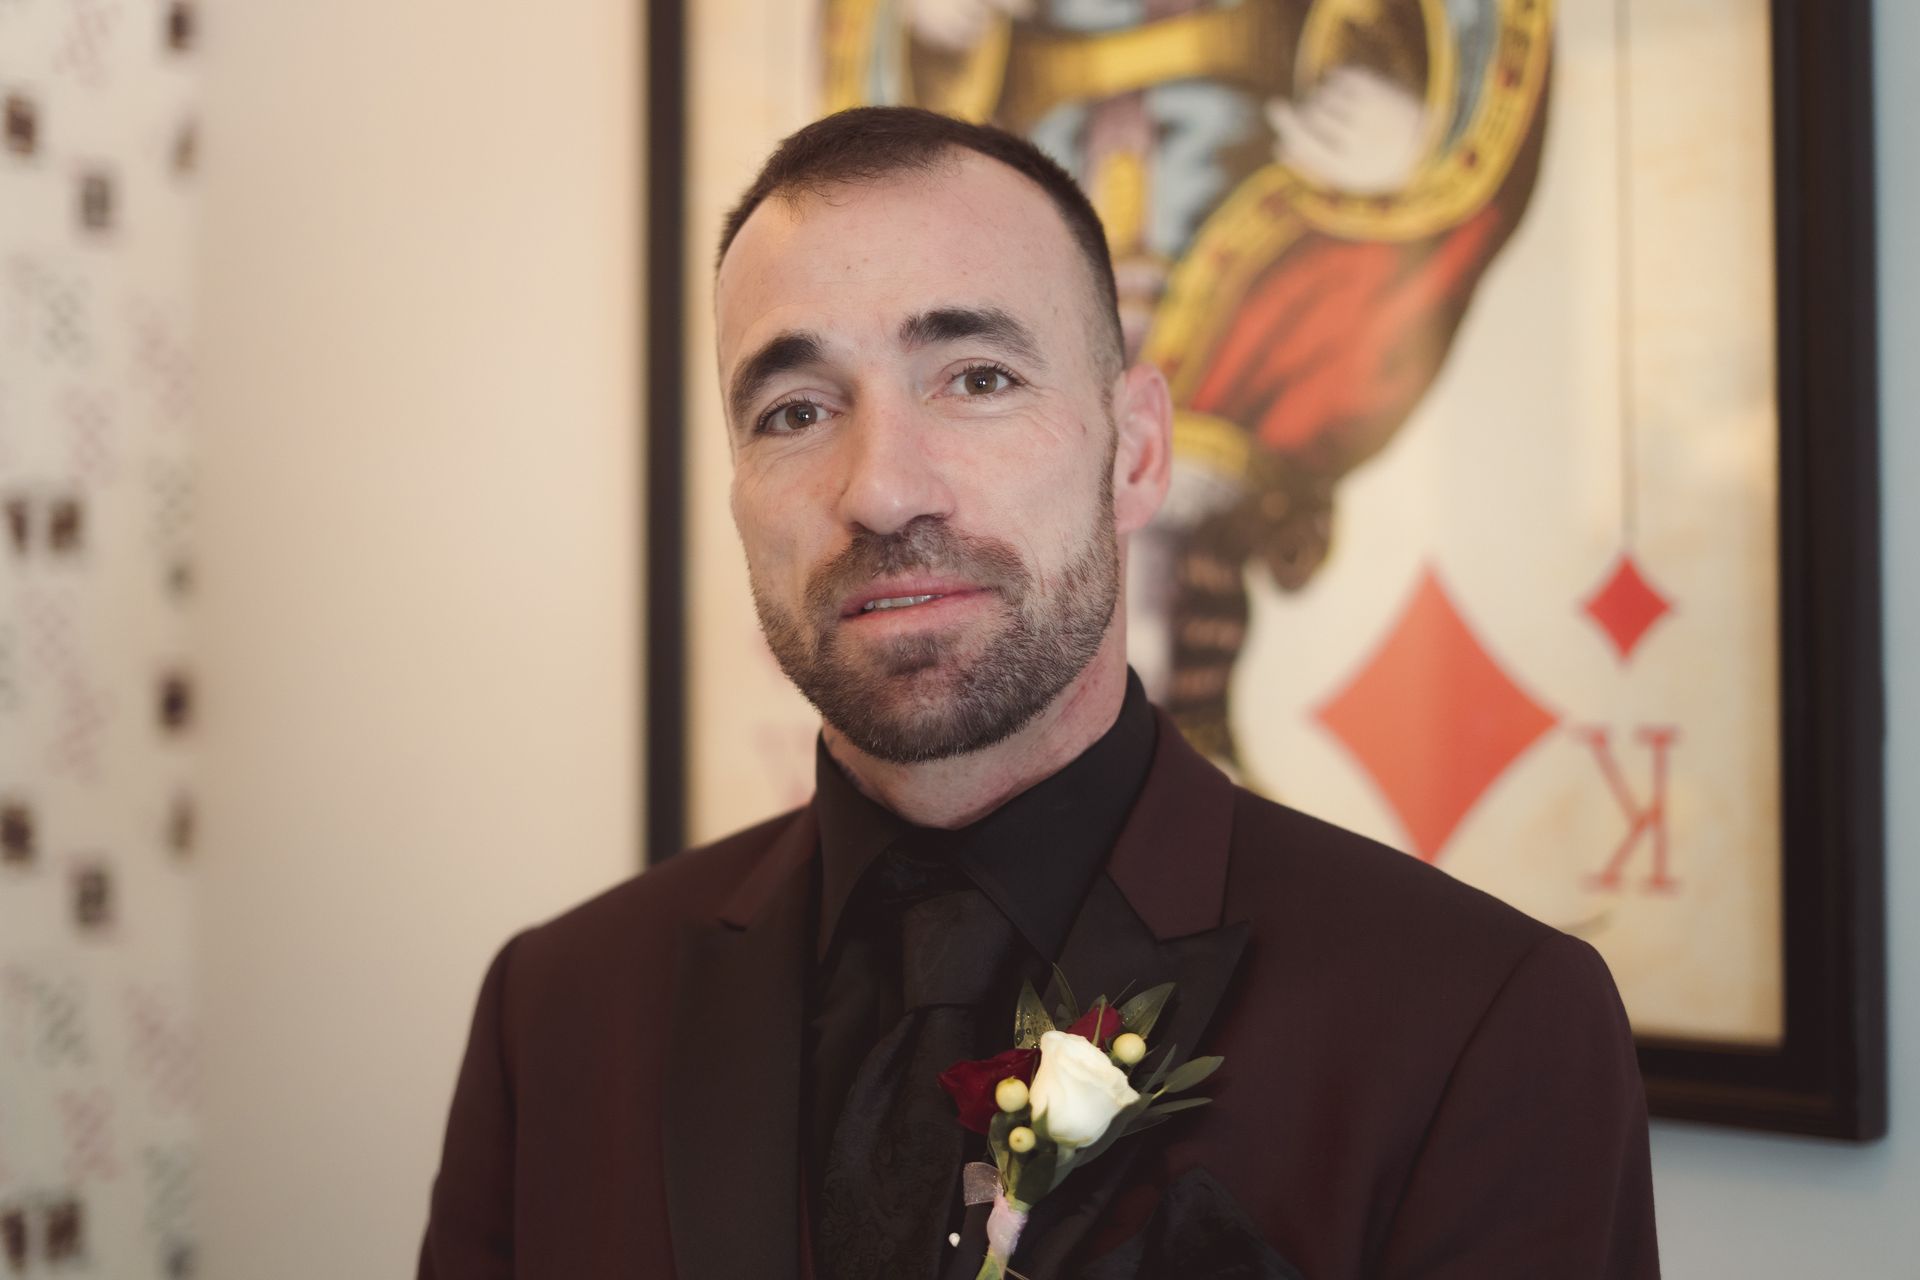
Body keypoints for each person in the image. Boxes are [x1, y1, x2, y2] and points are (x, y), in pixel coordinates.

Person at [419, 107, 1659, 1280]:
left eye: (976, 378)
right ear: (739, 487)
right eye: (795, 409)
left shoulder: (1479, 1024)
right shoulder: (560, 1008)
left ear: (1137, 450)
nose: (883, 490)